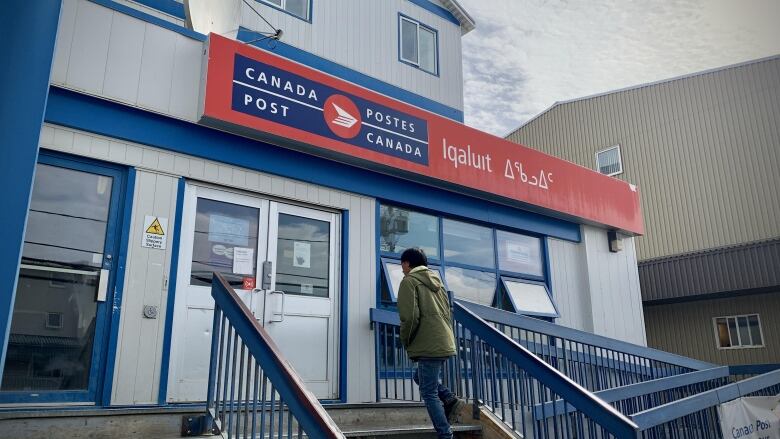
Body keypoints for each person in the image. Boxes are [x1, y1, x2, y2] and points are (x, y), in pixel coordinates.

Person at [397, 247, 466, 439]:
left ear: (407, 263)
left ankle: (445, 435)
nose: (402, 269)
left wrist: (406, 340)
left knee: (428, 393)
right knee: (420, 376)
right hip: (443, 340)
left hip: (429, 343)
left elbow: (409, 317)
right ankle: (449, 399)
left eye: (402, 264)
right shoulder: (438, 283)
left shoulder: (409, 281)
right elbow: (447, 312)